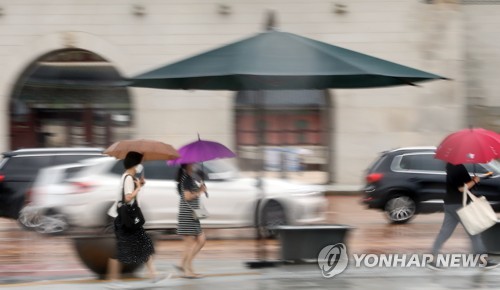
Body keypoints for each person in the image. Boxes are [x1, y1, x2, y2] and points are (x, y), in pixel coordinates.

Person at [107, 151, 166, 283]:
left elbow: (131, 197)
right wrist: (138, 188)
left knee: (143, 244)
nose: (141, 165)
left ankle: (154, 275)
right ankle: (113, 280)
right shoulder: (128, 178)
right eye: (140, 162)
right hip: (125, 219)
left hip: (128, 218)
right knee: (121, 249)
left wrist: (140, 184)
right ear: (135, 164)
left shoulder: (130, 178)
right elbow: (128, 198)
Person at [429, 162, 497, 270]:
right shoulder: (458, 167)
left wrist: (472, 180)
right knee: (474, 232)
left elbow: (460, 184)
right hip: (459, 205)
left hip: (450, 204)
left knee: (444, 233)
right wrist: (475, 180)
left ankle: (431, 259)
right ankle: (483, 261)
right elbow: (461, 188)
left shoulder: (451, 166)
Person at [175, 163, 207, 278]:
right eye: (192, 163)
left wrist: (199, 188)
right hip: (188, 214)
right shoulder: (186, 178)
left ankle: (184, 265)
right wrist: (200, 192)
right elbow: (187, 197)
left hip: (192, 215)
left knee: (201, 239)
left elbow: (189, 194)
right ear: (187, 165)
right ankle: (187, 270)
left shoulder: (188, 178)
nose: (194, 164)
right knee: (189, 244)